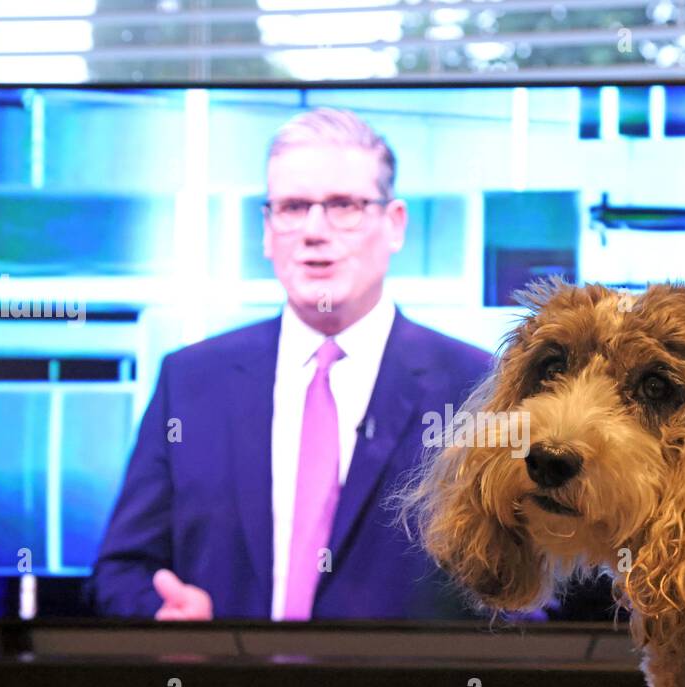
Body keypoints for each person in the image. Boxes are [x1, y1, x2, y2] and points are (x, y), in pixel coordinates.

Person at [91, 108, 491, 620]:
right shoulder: (190, 381)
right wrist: (161, 616)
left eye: (344, 205)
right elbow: (120, 571)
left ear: (394, 225)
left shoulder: (474, 386)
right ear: (266, 228)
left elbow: (520, 591)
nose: (314, 231)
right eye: (293, 207)